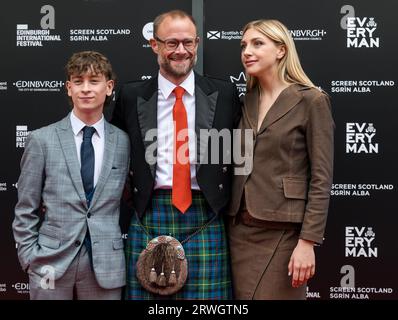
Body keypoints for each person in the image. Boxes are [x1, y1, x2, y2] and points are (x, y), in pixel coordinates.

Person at [111, 10, 240, 299]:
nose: (180, 51)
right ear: (154, 45)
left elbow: (238, 156)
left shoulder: (225, 93)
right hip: (150, 213)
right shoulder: (131, 96)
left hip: (206, 214)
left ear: (197, 43)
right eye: (171, 43)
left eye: (187, 43)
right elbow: (116, 153)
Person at [228, 19, 334, 300]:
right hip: (237, 232)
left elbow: (322, 179)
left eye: (257, 43)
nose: (246, 51)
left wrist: (307, 241)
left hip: (285, 237)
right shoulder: (245, 100)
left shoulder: (312, 101)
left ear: (281, 50)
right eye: (243, 45)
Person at [12, 51, 130, 300]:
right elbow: (25, 208)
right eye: (78, 81)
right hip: (49, 262)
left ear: (108, 87)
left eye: (94, 81)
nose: (86, 89)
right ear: (68, 88)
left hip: (106, 264)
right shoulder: (41, 140)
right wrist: (29, 258)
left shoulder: (123, 142)